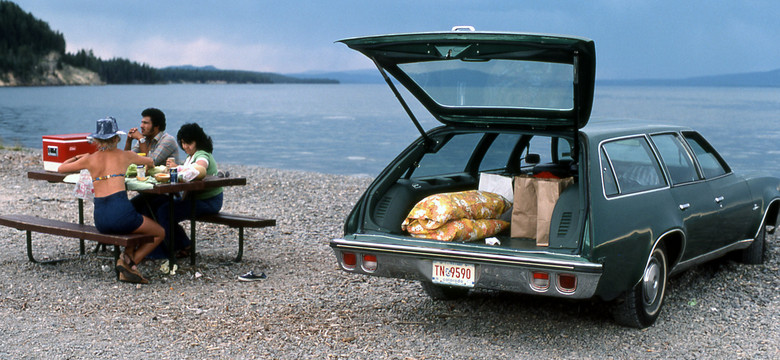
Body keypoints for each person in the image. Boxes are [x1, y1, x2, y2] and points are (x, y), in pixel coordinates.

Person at [58, 117, 165, 284]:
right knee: (159, 232)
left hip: (100, 219)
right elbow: (150, 161)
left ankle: (127, 263)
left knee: (135, 226)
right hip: (122, 213)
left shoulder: (89, 159)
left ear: (97, 140)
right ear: (117, 138)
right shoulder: (125, 156)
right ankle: (129, 263)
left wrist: (78, 157)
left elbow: (61, 168)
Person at [148, 122, 223, 259]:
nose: (185, 147)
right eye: (182, 143)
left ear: (198, 141)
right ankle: (181, 244)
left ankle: (175, 247)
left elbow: (200, 167)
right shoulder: (190, 157)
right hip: (194, 198)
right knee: (158, 205)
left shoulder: (202, 154)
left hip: (208, 201)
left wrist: (178, 168)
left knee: (165, 211)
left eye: (189, 143)